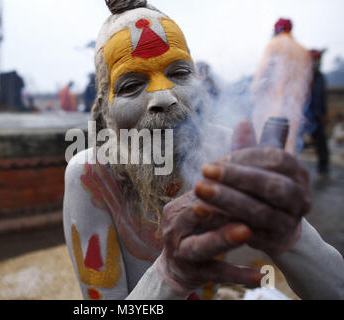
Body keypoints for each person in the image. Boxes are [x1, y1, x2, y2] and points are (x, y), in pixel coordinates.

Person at [63, 1, 344, 300]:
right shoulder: (92, 175)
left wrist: (290, 237)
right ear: (105, 109)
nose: (164, 97)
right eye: (131, 85)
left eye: (179, 72)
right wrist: (170, 275)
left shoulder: (223, 150)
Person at [251, 18, 312, 154]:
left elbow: (262, 73)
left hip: (272, 104)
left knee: (267, 144)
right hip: (294, 107)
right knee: (289, 144)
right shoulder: (302, 50)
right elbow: (307, 82)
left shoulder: (274, 44)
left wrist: (254, 91)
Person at [304, 49, 330, 174]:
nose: (317, 62)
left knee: (322, 144)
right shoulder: (304, 76)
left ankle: (323, 167)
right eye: (314, 59)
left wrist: (324, 113)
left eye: (318, 60)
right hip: (304, 117)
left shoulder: (321, 78)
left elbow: (322, 98)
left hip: (317, 116)